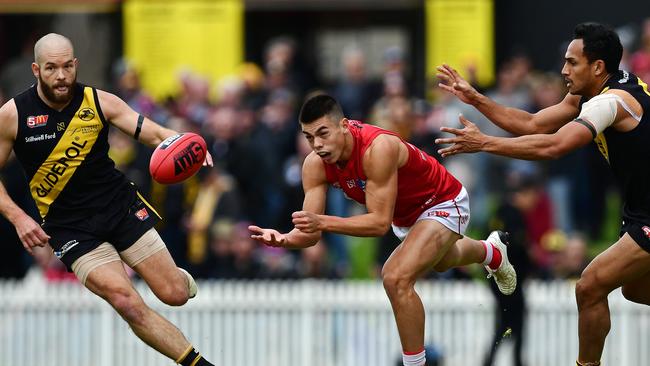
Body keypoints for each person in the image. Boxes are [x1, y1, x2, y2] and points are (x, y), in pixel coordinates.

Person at [436, 22, 650, 366]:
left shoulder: (611, 103)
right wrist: (475, 98)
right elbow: (535, 124)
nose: (563, 70)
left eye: (572, 62)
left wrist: (484, 143)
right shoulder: (594, 92)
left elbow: (553, 146)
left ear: (597, 67)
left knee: (590, 285)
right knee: (633, 289)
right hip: (639, 209)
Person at [248, 93, 517, 366]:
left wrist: (323, 222)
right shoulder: (314, 165)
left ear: (343, 125)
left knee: (395, 277)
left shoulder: (377, 148)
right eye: (308, 137)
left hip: (442, 200)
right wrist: (284, 239)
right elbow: (311, 233)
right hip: (406, 217)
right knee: (442, 261)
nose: (317, 144)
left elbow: (377, 223)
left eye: (323, 133)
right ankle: (491, 252)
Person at [0, 33, 214, 366]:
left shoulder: (100, 101)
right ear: (36, 70)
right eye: (51, 68)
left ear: (76, 65)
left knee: (174, 295)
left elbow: (155, 134)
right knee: (125, 301)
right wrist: (19, 218)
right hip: (70, 228)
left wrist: (188, 146)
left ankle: (176, 278)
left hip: (119, 208)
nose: (61, 76)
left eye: (67, 66)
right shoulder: (13, 115)